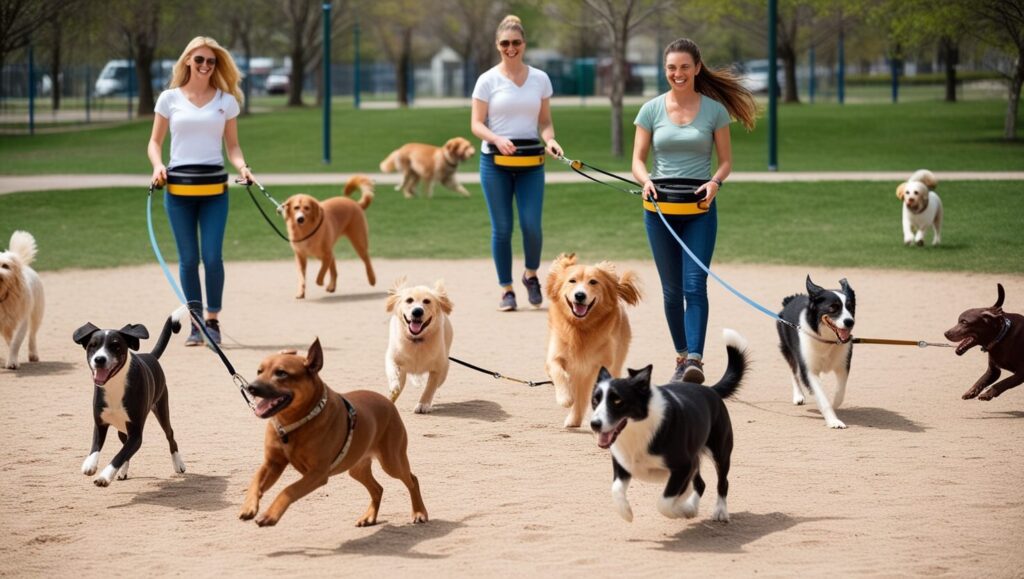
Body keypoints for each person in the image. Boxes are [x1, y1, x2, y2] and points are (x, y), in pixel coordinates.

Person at [632, 38, 756, 384]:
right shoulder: (651, 110)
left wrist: (715, 182)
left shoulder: (714, 111)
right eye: (672, 67)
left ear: (697, 68)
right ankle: (682, 357)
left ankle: (695, 362)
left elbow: (726, 161)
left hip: (700, 210)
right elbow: (637, 161)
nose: (678, 73)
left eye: (685, 66)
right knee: (672, 291)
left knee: (694, 286)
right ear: (665, 70)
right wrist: (646, 181)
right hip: (659, 211)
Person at [147, 36, 255, 346]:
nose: (205, 66)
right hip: (178, 189)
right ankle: (196, 323)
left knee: (212, 256)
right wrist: (157, 167)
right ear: (187, 62)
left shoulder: (226, 101)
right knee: (188, 258)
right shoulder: (169, 99)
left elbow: (232, 146)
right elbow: (154, 142)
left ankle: (212, 320)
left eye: (211, 61)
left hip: (214, 190)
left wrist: (243, 167)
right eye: (199, 60)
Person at [471, 14, 563, 312]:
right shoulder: (487, 80)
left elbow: (545, 122)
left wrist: (550, 140)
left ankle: (531, 274)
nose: (511, 48)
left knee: (531, 225)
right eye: (505, 43)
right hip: (494, 163)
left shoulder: (540, 79)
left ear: (524, 44)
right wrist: (496, 138)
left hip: (531, 163)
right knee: (502, 228)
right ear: (497, 45)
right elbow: (476, 124)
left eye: (516, 43)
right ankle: (506, 290)